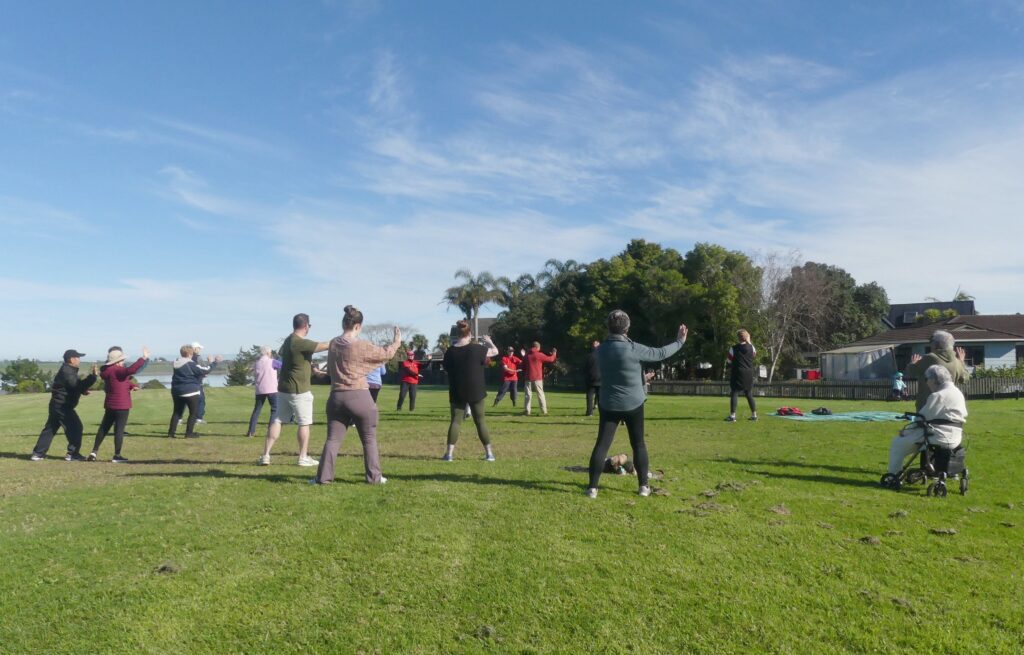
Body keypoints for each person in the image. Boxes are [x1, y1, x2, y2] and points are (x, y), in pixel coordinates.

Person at [585, 310, 688, 499]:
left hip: (608, 404)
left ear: (608, 327)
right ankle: (643, 487)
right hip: (634, 403)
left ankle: (592, 488)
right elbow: (661, 353)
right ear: (627, 327)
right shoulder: (634, 348)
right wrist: (680, 341)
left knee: (601, 445)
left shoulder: (600, 350)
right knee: (638, 444)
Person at [313, 305, 401, 485]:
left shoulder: (333, 344)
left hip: (336, 397)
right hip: (359, 395)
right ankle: (374, 477)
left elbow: (330, 370)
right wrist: (397, 341)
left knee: (332, 440)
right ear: (358, 326)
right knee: (369, 439)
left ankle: (322, 478)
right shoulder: (361, 345)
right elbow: (386, 354)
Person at [260, 313, 329, 467]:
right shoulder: (300, 342)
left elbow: (294, 359)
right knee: (304, 423)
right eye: (309, 326)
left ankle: (265, 455)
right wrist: (343, 339)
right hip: (299, 390)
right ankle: (303, 457)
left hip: (283, 389)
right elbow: (324, 345)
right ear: (305, 326)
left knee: (277, 420)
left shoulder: (287, 341)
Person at [886, 365, 967, 476]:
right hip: (956, 437)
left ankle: (893, 475)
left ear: (934, 380)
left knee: (897, 444)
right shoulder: (958, 393)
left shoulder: (938, 396)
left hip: (938, 436)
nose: (927, 383)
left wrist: (905, 432)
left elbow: (921, 419)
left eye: (926, 379)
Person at [441, 320, 499, 461]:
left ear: (457, 334)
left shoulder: (450, 352)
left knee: (455, 421)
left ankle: (449, 454)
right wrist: (489, 341)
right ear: (470, 334)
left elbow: (446, 369)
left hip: (457, 390)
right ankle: (489, 453)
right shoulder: (477, 348)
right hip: (476, 390)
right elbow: (495, 352)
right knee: (480, 421)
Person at [30, 349, 98, 461]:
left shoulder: (69, 370)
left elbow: (70, 387)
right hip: (63, 406)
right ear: (71, 359)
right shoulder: (68, 371)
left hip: (57, 405)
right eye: (78, 358)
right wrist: (93, 377)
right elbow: (76, 386)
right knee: (76, 427)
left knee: (50, 429)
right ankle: (73, 454)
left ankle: (38, 454)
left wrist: (81, 391)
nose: (79, 360)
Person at [88, 346, 150, 462]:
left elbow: (121, 381)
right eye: (122, 360)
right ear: (117, 361)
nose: (123, 362)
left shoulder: (107, 371)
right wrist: (144, 358)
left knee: (103, 428)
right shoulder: (117, 370)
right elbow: (131, 370)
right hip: (122, 405)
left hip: (110, 405)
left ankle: (94, 452)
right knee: (119, 430)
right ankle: (117, 455)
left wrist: (132, 386)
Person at [904, 330, 970, 411]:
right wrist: (962, 362)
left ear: (937, 344)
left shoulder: (929, 358)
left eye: (932, 342)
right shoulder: (957, 362)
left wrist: (912, 363)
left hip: (928, 406)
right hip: (948, 406)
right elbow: (965, 379)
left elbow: (911, 372)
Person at [169, 345, 221, 438]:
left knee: (176, 412)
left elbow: (186, 374)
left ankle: (171, 433)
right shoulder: (190, 364)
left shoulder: (176, 363)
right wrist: (214, 362)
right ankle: (189, 433)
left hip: (176, 390)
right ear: (189, 354)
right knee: (193, 413)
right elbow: (205, 370)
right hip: (190, 391)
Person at [247, 346, 280, 437]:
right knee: (274, 409)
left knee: (257, 410)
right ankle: (270, 431)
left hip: (260, 389)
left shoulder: (257, 363)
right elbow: (283, 365)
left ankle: (251, 432)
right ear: (269, 353)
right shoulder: (273, 362)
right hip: (272, 389)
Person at [725, 329, 758, 422]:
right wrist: (749, 341)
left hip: (737, 373)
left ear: (738, 338)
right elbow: (754, 355)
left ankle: (732, 416)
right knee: (749, 394)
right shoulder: (752, 347)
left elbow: (728, 360)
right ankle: (754, 415)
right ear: (747, 337)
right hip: (749, 373)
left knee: (734, 393)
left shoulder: (733, 348)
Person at [524, 341, 557, 416]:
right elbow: (550, 359)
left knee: (528, 395)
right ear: (538, 347)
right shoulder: (539, 355)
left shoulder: (527, 356)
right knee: (540, 394)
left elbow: (523, 366)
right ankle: (544, 410)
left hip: (528, 377)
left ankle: (527, 410)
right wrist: (554, 353)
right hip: (537, 378)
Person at [191, 342, 208, 424]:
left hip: (189, 382)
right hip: (197, 382)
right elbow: (204, 368)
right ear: (195, 349)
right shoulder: (198, 357)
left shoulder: (187, 357)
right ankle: (198, 418)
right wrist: (204, 374)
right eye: (199, 348)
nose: (200, 350)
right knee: (201, 400)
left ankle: (180, 418)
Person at [584, 340, 601, 416]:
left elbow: (584, 368)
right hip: (601, 379)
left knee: (590, 396)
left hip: (591, 379)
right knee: (600, 397)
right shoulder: (603, 356)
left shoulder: (589, 356)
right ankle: (602, 412)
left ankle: (589, 412)